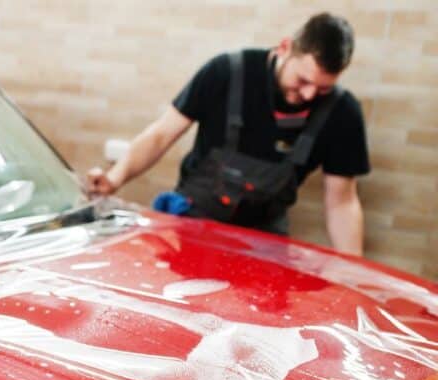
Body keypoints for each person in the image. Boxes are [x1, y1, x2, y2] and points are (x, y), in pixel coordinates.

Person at [86, 12, 369, 255]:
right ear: (285, 47)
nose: (308, 94)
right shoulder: (227, 73)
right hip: (193, 225)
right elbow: (161, 134)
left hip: (264, 240)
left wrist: (353, 269)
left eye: (322, 88)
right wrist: (114, 178)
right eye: (303, 80)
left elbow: (341, 201)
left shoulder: (341, 112)